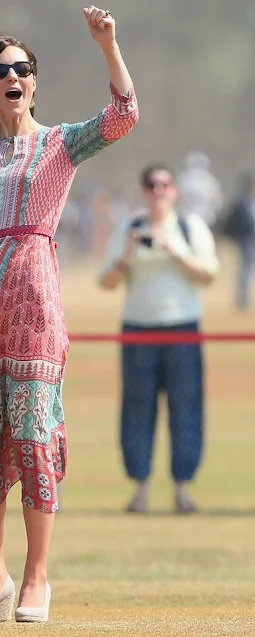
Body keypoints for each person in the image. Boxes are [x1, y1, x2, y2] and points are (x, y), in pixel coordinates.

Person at [0, 6, 138, 623]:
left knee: (35, 439)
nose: (13, 77)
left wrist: (108, 46)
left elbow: (124, 117)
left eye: (23, 68)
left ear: (33, 81)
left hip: (36, 309)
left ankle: (38, 577)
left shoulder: (60, 144)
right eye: (0, 70)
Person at [98, 163, 219, 514]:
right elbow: (106, 281)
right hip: (138, 330)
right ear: (144, 191)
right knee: (137, 410)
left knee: (186, 408)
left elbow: (209, 275)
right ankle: (140, 490)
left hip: (183, 328)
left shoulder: (190, 226)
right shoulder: (129, 227)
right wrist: (126, 256)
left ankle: (182, 489)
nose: (158, 191)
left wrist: (175, 251)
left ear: (174, 191)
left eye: (165, 184)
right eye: (152, 185)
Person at [223, 170, 255, 309]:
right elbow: (232, 221)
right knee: (245, 270)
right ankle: (243, 300)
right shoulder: (240, 202)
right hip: (246, 239)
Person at [176, 150, 223, 231]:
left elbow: (216, 201)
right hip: (186, 219)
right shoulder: (183, 180)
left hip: (206, 219)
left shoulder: (209, 181)